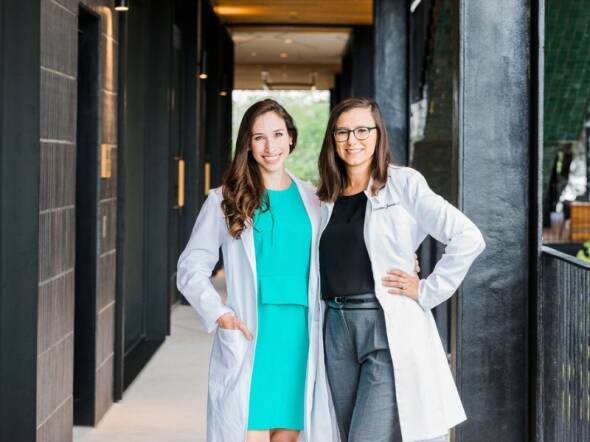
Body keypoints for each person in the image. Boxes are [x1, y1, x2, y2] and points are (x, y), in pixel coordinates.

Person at [317, 97, 486, 442]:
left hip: (384, 325)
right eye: (342, 132)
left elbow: (468, 237)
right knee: (348, 433)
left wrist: (426, 290)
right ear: (332, 139)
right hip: (335, 330)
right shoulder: (322, 196)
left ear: (378, 134)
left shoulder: (403, 183)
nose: (352, 140)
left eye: (362, 130)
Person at [176, 99, 338, 442]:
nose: (270, 146)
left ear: (291, 138)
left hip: (300, 334)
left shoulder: (315, 199)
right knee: (247, 429)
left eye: (277, 134)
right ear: (248, 144)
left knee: (289, 433)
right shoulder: (225, 199)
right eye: (259, 137)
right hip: (252, 332)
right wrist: (220, 314)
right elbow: (191, 266)